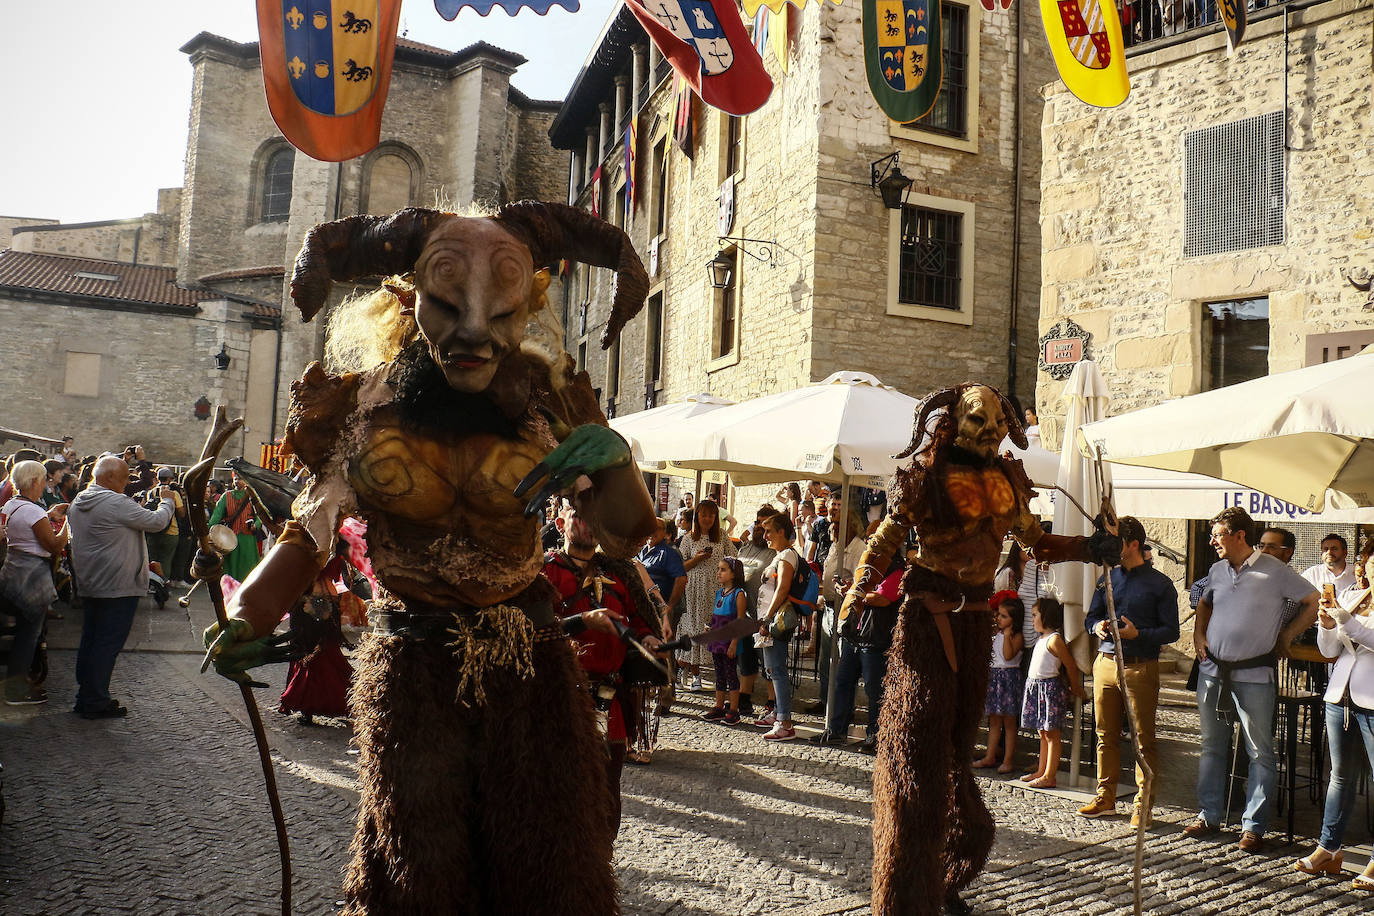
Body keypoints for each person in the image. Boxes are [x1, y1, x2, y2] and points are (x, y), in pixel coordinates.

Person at [202, 200, 656, 913]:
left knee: (548, 866)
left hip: (529, 665)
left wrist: (616, 460)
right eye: (448, 307)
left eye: (501, 314)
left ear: (527, 305)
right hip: (411, 673)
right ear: (409, 298)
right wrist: (248, 610)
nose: (474, 333)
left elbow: (626, 534)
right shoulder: (362, 409)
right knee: (419, 873)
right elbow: (309, 529)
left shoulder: (551, 401)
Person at [840, 384, 1115, 916]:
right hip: (927, 622)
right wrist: (855, 593)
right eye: (976, 419)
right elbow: (887, 539)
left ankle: (943, 878)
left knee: (955, 762)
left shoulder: (1008, 482)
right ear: (952, 421)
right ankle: (903, 897)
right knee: (916, 762)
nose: (988, 431)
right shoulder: (928, 476)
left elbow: (1038, 543)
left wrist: (1089, 546)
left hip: (975, 627)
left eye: (994, 421)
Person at [1186, 506, 1320, 853]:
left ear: (1239, 536)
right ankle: (1209, 814)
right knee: (1212, 746)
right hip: (1213, 671)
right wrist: (1199, 635)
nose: (1212, 540)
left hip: (1255, 675)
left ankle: (1254, 826)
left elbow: (1313, 601)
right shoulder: (1216, 570)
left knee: (1260, 751)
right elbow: (1204, 601)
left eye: (1217, 534)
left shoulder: (1275, 571)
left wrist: (1287, 636)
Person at [544, 497, 661, 834]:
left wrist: (648, 640)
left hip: (610, 702)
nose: (590, 523)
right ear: (561, 524)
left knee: (606, 797)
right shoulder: (542, 572)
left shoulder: (620, 573)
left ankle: (598, 869)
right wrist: (583, 621)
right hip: (557, 697)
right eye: (580, 516)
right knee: (557, 794)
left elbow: (641, 622)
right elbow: (529, 629)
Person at [1078, 516, 1180, 826]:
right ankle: (1105, 796)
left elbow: (1171, 631)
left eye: (1115, 541)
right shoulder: (1106, 578)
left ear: (1133, 544)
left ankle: (1143, 804)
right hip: (1105, 663)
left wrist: (1139, 636)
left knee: (1142, 739)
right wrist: (1098, 627)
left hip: (1139, 667)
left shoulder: (1161, 584)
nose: (1109, 547)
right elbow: (1090, 618)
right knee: (1104, 735)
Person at [1293, 539, 1374, 891]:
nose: (1366, 568)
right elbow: (1330, 651)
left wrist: (1344, 620)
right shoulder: (1355, 597)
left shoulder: (1352, 606)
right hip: (1340, 696)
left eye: (1370, 562)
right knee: (1339, 776)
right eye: (1366, 562)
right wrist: (1327, 624)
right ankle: (1329, 848)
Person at [67, 455, 174, 718]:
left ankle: (86, 696)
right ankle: (95, 701)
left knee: (91, 641)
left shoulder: (80, 500)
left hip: (92, 582)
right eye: (125, 477)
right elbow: (157, 522)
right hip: (117, 586)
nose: (128, 482)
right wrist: (167, 501)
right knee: (106, 645)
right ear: (111, 478)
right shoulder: (115, 502)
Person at [0, 461, 69, 705]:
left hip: (12, 570)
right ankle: (16, 692)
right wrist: (66, 526)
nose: (45, 484)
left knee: (24, 631)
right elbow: (54, 545)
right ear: (34, 482)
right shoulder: (34, 511)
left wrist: (49, 516)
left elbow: (23, 529)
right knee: (28, 635)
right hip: (31, 577)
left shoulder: (12, 504)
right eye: (42, 480)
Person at [825, 561, 901, 752]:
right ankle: (837, 729)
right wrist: (850, 590)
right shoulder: (868, 568)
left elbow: (882, 598)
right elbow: (863, 592)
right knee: (843, 681)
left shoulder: (897, 570)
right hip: (857, 635)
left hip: (877, 638)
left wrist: (854, 593)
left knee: (874, 689)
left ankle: (875, 735)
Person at [1020, 597, 1084, 789]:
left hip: (1049, 690)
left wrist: (1074, 687)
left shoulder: (1054, 640)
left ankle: (1050, 775)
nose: (1032, 619)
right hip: (1037, 687)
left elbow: (1070, 665)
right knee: (1043, 732)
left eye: (1035, 615)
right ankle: (1041, 770)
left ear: (1046, 616)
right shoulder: (1041, 639)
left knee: (1051, 733)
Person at [676, 498, 737, 691]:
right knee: (693, 629)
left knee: (709, 629)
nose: (707, 518)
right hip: (693, 589)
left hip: (714, 589)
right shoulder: (688, 538)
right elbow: (680, 566)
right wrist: (697, 559)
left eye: (711, 515)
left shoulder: (721, 535)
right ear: (697, 516)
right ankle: (693, 673)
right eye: (704, 514)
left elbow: (734, 557)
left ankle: (700, 671)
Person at [756, 512, 802, 740]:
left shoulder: (786, 556)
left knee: (777, 670)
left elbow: (782, 588)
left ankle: (785, 721)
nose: (765, 536)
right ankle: (777, 713)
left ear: (782, 532)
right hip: (768, 620)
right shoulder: (780, 555)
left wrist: (767, 617)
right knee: (771, 669)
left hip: (775, 621)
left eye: (769, 531)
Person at [974, 591, 1025, 773]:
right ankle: (990, 755)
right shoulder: (998, 634)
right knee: (994, 721)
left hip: (1008, 679)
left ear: (1014, 619)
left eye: (1003, 616)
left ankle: (1008, 759)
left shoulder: (1015, 636)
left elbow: (1008, 655)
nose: (998, 619)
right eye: (998, 615)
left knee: (1009, 724)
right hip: (995, 678)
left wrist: (1006, 635)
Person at [736, 506, 779, 717]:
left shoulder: (775, 552)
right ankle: (744, 698)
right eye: (758, 522)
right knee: (746, 658)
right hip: (744, 614)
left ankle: (773, 701)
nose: (760, 527)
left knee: (768, 661)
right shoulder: (745, 548)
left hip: (765, 616)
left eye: (765, 524)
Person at [702, 558, 747, 724]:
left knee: (731, 675)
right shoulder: (719, 593)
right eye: (718, 569)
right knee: (719, 674)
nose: (718, 572)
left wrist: (734, 643)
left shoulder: (739, 594)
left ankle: (734, 710)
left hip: (729, 643)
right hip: (717, 641)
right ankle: (719, 707)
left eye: (723, 569)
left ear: (733, 574)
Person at [207, 471, 262, 582]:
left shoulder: (253, 496)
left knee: (248, 569)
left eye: (240, 479)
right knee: (230, 570)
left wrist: (256, 525)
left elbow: (260, 516)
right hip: (229, 539)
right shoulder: (226, 496)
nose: (237, 481)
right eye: (236, 479)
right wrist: (208, 530)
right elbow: (216, 517)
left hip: (248, 539)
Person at [145, 467, 185, 585]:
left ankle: (150, 584)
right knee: (166, 560)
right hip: (171, 531)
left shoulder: (151, 492)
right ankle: (162, 585)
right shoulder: (173, 493)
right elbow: (181, 513)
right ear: (169, 479)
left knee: (152, 559)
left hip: (153, 530)